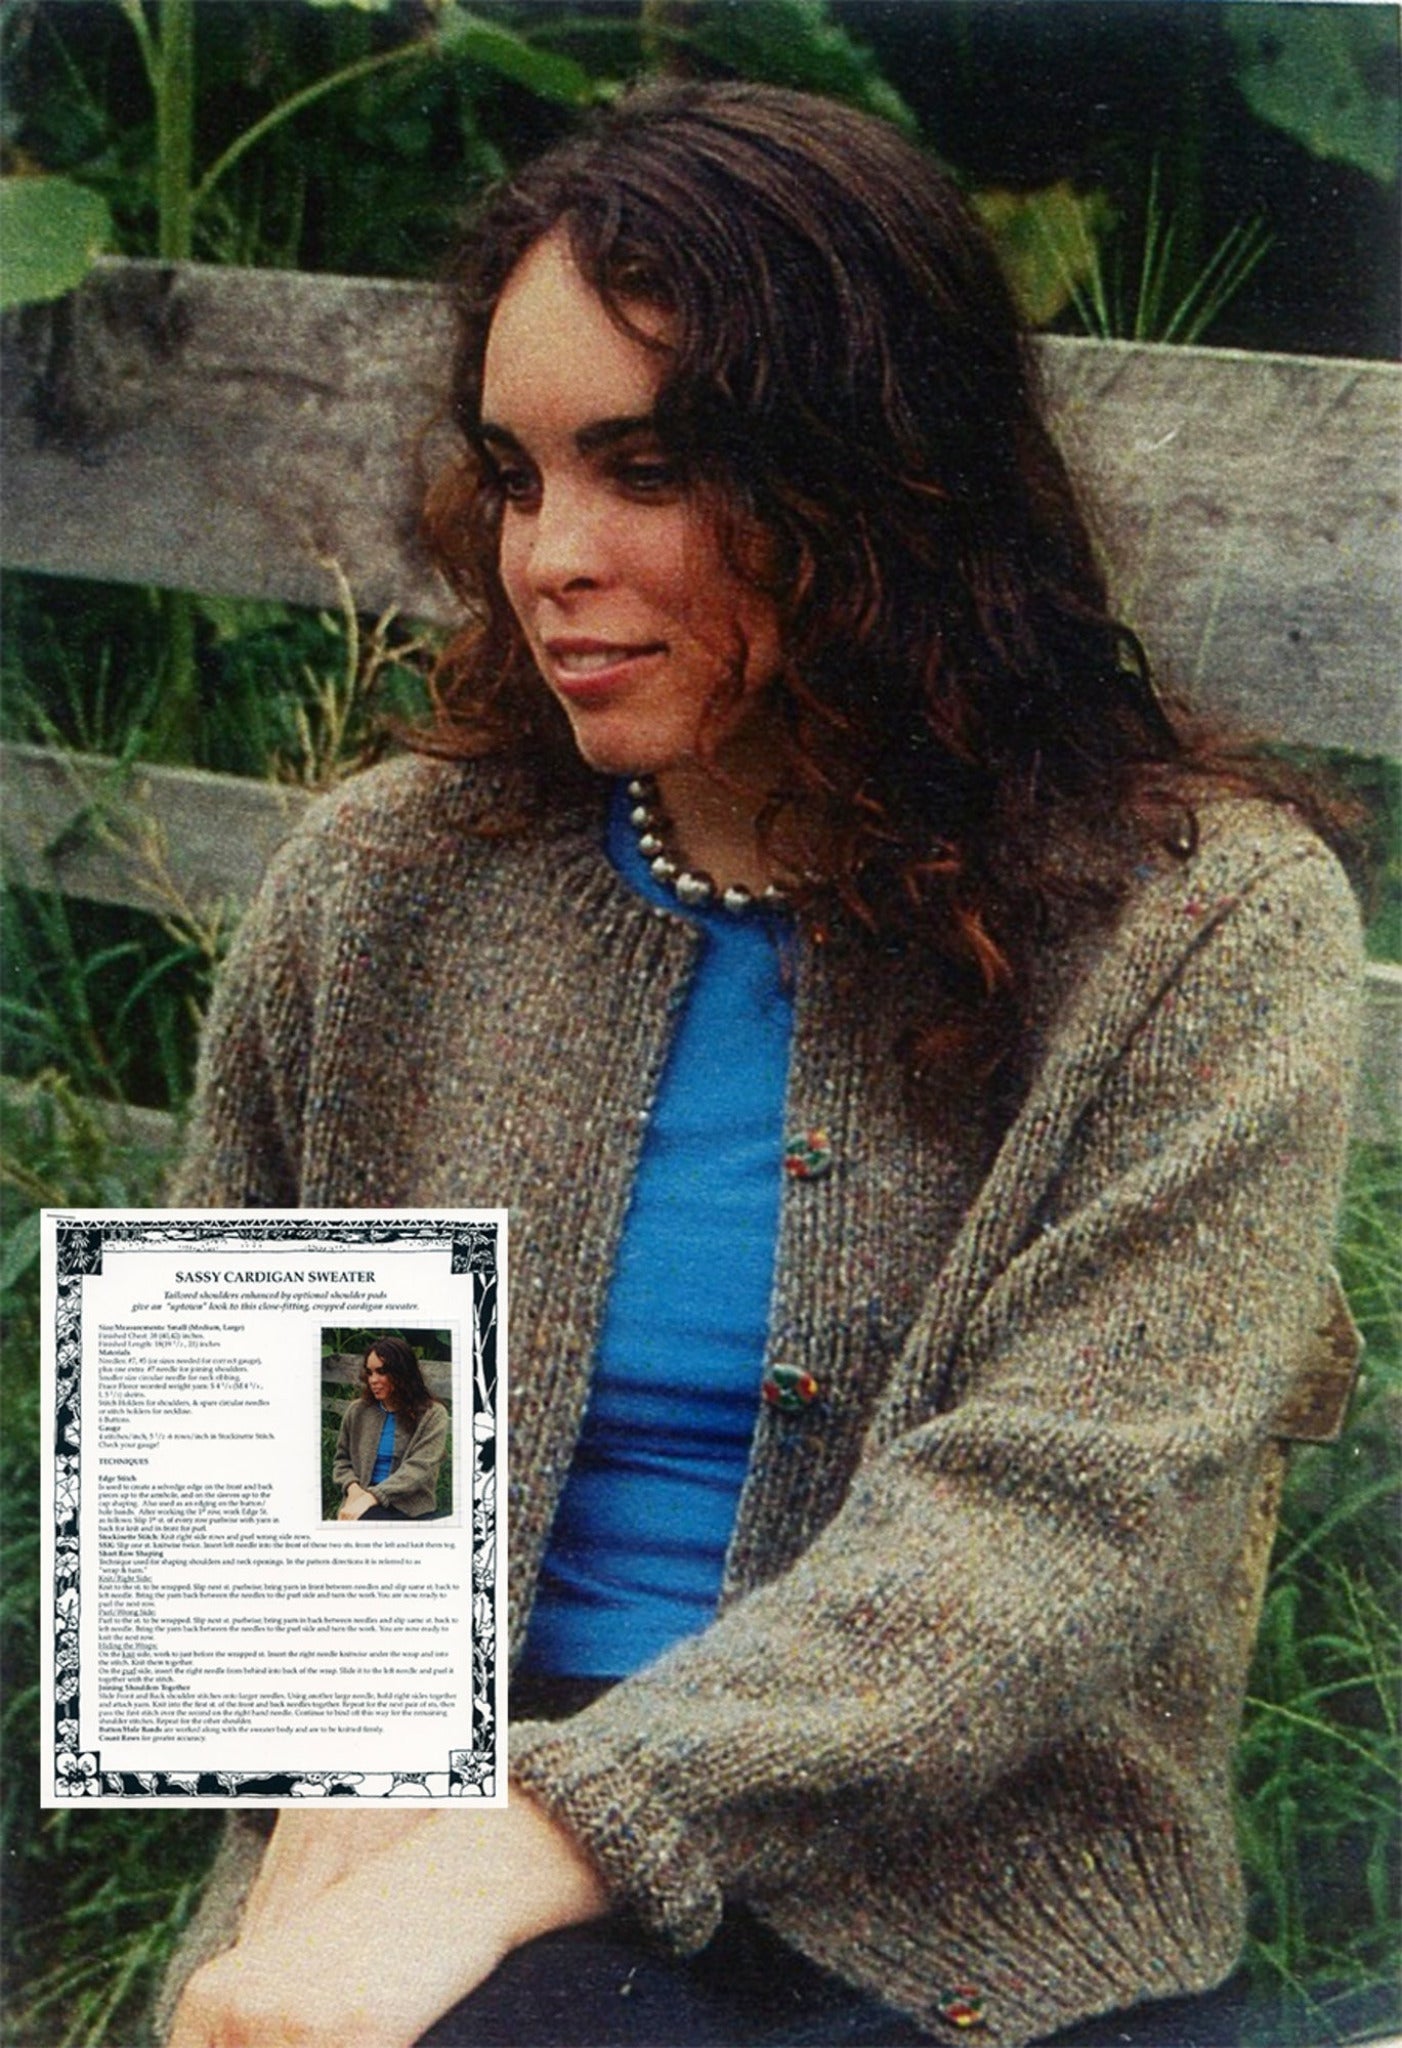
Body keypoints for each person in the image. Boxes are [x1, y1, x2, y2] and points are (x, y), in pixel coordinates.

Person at [160, 80, 1363, 2048]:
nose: (548, 551)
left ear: (875, 480)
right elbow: (283, 1527)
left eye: (641, 467)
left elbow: (1049, 1527)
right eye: (519, 472)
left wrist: (518, 1839)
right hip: (438, 1892)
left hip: (974, 1907)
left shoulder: (1197, 933)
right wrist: (336, 1832)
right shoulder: (384, 894)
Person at [331, 1336, 449, 1521]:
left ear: (402, 1373)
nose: (373, 1380)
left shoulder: (432, 1415)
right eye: (369, 1373)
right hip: (360, 1502)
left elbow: (419, 1468)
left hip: (409, 1508)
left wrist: (372, 1497)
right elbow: (342, 1460)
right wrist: (352, 1489)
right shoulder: (357, 1411)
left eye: (382, 1371)